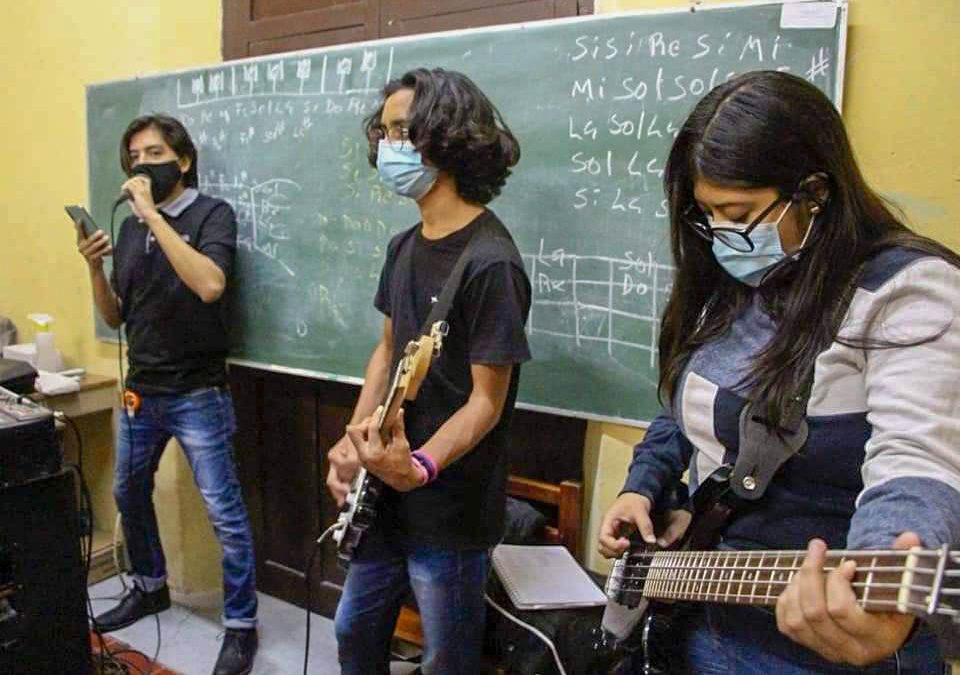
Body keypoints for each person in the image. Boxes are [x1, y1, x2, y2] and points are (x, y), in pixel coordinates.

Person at [598, 71, 959, 674]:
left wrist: (882, 591)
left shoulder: (909, 293)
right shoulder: (739, 283)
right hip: (695, 619)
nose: (720, 237)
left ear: (814, 192)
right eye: (706, 215)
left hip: (817, 653)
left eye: (738, 214)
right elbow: (688, 408)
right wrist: (643, 483)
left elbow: (917, 461)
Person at [326, 68, 531, 675]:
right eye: (385, 132)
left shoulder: (492, 262)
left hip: (451, 509)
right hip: (382, 496)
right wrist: (353, 435)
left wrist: (420, 465)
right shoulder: (403, 246)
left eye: (403, 131)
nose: (388, 147)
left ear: (448, 137)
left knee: (447, 657)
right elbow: (389, 349)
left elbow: (486, 402)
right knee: (353, 634)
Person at [74, 114, 258, 675]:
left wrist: (153, 217)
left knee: (224, 513)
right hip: (141, 392)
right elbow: (115, 317)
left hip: (197, 390)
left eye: (155, 154)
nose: (142, 165)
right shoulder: (129, 231)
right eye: (134, 157)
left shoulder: (211, 215)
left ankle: (242, 625)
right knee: (129, 494)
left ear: (182, 160)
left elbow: (210, 285)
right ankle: (150, 586)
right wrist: (94, 269)